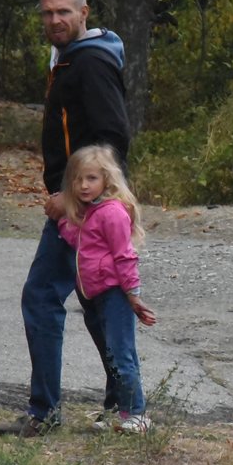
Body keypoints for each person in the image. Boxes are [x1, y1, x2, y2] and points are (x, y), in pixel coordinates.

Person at [0, 0, 130, 437]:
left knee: (42, 296)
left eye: (63, 12)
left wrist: (78, 198)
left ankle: (44, 412)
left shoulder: (89, 64)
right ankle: (122, 404)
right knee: (95, 302)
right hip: (83, 204)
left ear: (84, 13)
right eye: (47, 13)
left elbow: (113, 137)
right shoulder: (71, 59)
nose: (54, 20)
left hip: (85, 209)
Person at [56, 145, 157, 433]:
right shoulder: (87, 213)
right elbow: (75, 237)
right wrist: (61, 218)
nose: (83, 185)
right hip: (94, 296)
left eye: (90, 178)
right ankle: (118, 411)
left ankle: (136, 414)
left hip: (114, 294)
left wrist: (133, 294)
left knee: (121, 354)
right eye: (77, 180)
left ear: (106, 180)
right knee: (111, 354)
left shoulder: (111, 213)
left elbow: (124, 255)